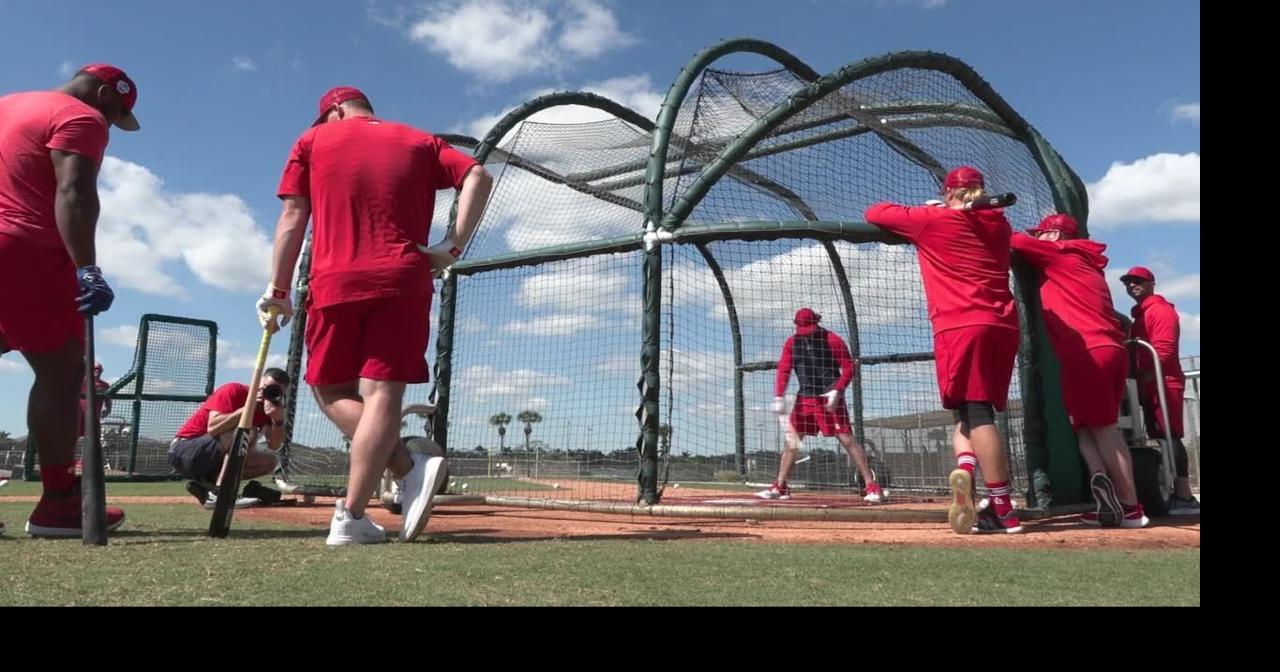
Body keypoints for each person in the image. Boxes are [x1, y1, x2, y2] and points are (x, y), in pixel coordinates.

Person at [261, 86, 493, 544]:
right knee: (382, 391)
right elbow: (479, 176)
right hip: (402, 277)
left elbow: (293, 214)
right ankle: (381, 491)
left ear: (333, 111)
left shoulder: (310, 142)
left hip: (333, 281)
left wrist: (278, 289)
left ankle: (386, 487)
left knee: (329, 390)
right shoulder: (421, 140)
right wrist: (453, 244)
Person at [0, 64, 140, 537]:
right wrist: (87, 267)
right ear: (104, 94)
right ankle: (58, 502)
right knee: (62, 372)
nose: (112, 128)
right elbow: (75, 190)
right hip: (21, 249)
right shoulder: (80, 117)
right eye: (116, 114)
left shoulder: (7, 104)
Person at [864, 166, 1022, 534]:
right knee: (967, 412)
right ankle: (965, 470)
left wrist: (935, 209)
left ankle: (1003, 509)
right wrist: (947, 208)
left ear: (950, 193)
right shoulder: (1000, 225)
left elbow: (875, 212)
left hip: (961, 325)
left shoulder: (932, 220)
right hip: (1002, 325)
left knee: (978, 414)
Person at [1012, 214, 1148, 528]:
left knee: (1104, 429)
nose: (1038, 239)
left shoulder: (1061, 252)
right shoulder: (1083, 260)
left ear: (1055, 234)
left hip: (1087, 351)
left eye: (1042, 233)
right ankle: (1105, 497)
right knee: (1084, 428)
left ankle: (1131, 508)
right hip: (1097, 351)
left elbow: (1015, 241)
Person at [757, 308, 884, 503]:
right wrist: (779, 397)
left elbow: (849, 367)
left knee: (847, 439)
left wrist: (838, 389)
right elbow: (784, 369)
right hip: (805, 398)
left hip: (829, 397)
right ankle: (780, 486)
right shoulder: (792, 343)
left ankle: (872, 486)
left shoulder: (832, 340)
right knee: (792, 441)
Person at [1120, 266, 1199, 515]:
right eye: (1128, 282)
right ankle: (1175, 492)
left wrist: (1144, 376)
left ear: (1151, 283)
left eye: (1138, 281)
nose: (1132, 285)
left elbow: (1163, 352)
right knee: (1162, 436)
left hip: (1163, 382)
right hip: (1149, 384)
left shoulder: (1161, 311)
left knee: (1169, 435)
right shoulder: (1140, 316)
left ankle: (1184, 496)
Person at [168, 369, 290, 509]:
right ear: (257, 384)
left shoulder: (269, 409)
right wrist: (248, 408)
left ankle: (207, 485)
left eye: (275, 392)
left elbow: (274, 445)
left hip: (211, 461)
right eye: (266, 388)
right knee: (248, 432)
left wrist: (278, 420)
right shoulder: (233, 390)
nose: (269, 394)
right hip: (184, 450)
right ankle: (220, 494)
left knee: (269, 462)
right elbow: (213, 427)